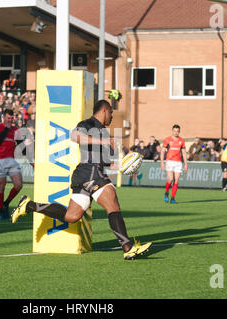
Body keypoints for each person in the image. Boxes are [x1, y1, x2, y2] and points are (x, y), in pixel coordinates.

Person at [10, 100, 152, 260]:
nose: (112, 116)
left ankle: (28, 205)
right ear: (105, 110)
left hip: (85, 175)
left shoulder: (104, 132)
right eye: (111, 112)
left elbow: (105, 161)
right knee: (113, 204)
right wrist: (103, 141)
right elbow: (75, 136)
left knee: (72, 216)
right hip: (91, 173)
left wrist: (123, 166)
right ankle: (128, 248)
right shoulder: (89, 123)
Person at [0, 108, 23, 220]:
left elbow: (21, 145)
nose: (10, 120)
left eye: (11, 118)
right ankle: (1, 211)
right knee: (1, 185)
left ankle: (6, 203)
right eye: (8, 118)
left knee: (18, 185)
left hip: (12, 160)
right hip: (0, 160)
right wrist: (6, 129)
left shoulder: (15, 130)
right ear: (3, 117)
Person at [161, 124, 188, 204]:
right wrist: (162, 162)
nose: (176, 132)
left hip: (178, 163)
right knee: (170, 179)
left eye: (177, 131)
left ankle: (172, 198)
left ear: (179, 132)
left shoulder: (182, 140)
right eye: (174, 131)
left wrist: (186, 164)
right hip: (169, 161)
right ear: (172, 131)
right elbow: (162, 152)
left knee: (176, 181)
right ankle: (166, 192)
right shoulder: (167, 140)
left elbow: (183, 152)